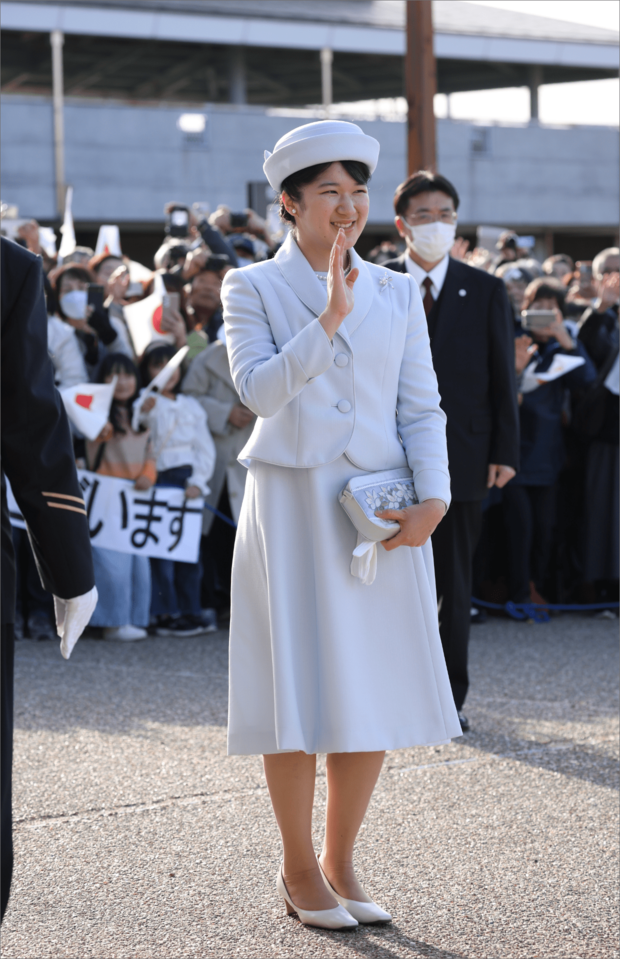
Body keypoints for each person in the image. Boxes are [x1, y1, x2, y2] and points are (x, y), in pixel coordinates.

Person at [222, 120, 459, 930]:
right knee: (296, 685)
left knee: (373, 684)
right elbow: (256, 391)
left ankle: (341, 857)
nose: (348, 207)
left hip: (381, 508)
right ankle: (296, 866)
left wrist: (435, 500)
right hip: (292, 504)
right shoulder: (250, 286)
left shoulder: (397, 289)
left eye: (357, 194)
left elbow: (421, 404)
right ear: (289, 204)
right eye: (330, 193)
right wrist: (325, 317)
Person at [383, 171, 519, 730]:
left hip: (463, 452)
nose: (435, 224)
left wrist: (505, 451)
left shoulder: (484, 287)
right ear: (401, 224)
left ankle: (449, 699)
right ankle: (391, 694)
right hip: (385, 453)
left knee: (454, 582)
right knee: (387, 576)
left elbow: (500, 376)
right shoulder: (377, 281)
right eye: (423, 214)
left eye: (445, 214)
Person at [1, 237, 97, 919]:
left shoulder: (9, 269)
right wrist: (70, 569)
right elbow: (34, 425)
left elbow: (32, 423)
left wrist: (69, 565)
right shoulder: (7, 269)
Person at [507, 277, 596, 605]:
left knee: (546, 530)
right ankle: (518, 593)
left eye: (551, 307)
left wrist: (565, 339)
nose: (544, 312)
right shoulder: (513, 340)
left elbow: (587, 384)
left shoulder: (564, 345)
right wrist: (516, 372)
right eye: (537, 306)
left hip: (549, 455)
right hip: (513, 455)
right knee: (520, 531)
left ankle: (538, 589)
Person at [137, 344, 217, 636]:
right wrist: (143, 410)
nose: (166, 373)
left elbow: (204, 448)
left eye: (171, 366)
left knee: (188, 551)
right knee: (160, 552)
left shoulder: (191, 406)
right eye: (158, 366)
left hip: (186, 482)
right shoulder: (144, 401)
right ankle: (163, 612)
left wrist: (198, 480)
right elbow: (136, 426)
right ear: (147, 370)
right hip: (155, 478)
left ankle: (190, 611)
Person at [182, 327, 255, 618]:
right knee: (211, 534)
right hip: (214, 459)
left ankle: (243, 606)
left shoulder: (270, 353)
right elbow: (188, 399)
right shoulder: (208, 358)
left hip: (250, 459)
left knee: (248, 533)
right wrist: (225, 413)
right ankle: (212, 601)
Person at [85, 353, 155, 641]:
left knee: (139, 567)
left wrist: (148, 476)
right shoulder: (95, 413)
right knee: (112, 567)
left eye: (126, 375)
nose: (121, 382)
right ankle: (113, 622)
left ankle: (133, 619)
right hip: (106, 501)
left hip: (135, 501)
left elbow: (152, 452)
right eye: (112, 375)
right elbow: (91, 444)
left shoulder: (143, 413)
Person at [576, 248, 619, 604]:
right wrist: (601, 309)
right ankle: (602, 587)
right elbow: (587, 356)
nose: (616, 280)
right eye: (610, 272)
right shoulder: (585, 315)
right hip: (604, 433)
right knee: (603, 513)